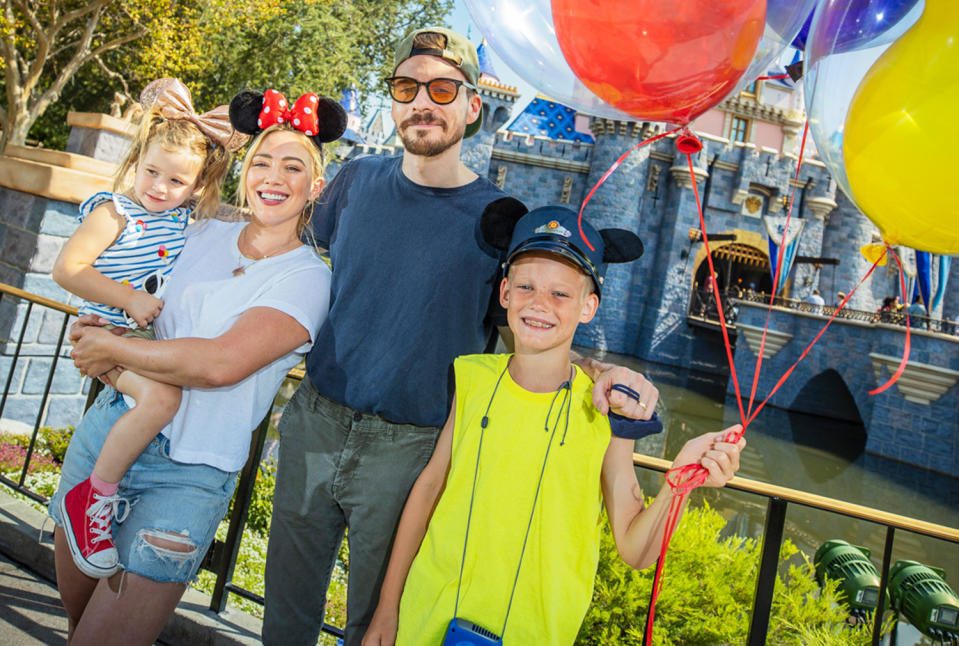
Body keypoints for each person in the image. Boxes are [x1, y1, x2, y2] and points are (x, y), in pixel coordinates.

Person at [263, 26, 659, 646]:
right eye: (407, 87)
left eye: (442, 89)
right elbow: (281, 252)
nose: (423, 101)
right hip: (315, 419)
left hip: (409, 448)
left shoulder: (497, 221)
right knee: (284, 613)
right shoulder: (357, 180)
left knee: (375, 625)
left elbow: (533, 322)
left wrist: (600, 377)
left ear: (474, 106)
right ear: (393, 101)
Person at [362, 205, 745, 645]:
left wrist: (680, 483)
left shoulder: (607, 412)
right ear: (504, 292)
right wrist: (387, 609)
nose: (539, 303)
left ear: (589, 307)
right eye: (525, 286)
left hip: (535, 632)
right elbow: (430, 489)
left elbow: (636, 550)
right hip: (426, 617)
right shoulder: (471, 377)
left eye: (561, 294)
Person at [49, 87, 346, 646]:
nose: (273, 176)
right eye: (261, 161)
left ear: (316, 187)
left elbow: (217, 365)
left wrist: (110, 352)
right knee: (77, 627)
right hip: (109, 434)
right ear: (241, 173)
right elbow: (121, 261)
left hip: (186, 475)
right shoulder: (198, 231)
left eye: (292, 166)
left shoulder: (309, 277)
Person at [51, 78, 241, 579]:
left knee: (160, 397)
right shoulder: (117, 213)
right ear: (136, 163)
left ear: (197, 187)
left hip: (136, 341)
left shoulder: (182, 221)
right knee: (162, 400)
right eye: (151, 171)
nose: (158, 187)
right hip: (113, 334)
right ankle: (94, 497)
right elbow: (67, 269)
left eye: (175, 181)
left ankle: (98, 492)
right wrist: (128, 298)